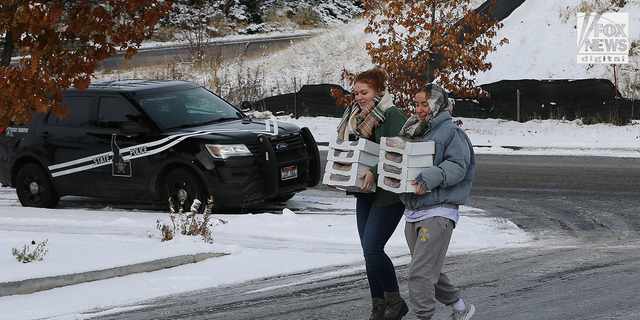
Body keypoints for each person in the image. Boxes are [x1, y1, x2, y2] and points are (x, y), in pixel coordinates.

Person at [397, 84, 476, 320]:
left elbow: (457, 167)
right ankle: (461, 308)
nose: (420, 109)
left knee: (419, 273)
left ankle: (423, 317)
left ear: (438, 104)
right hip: (414, 210)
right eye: (417, 104)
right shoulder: (414, 131)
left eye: (425, 104)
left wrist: (429, 178)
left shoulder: (452, 132)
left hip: (438, 212)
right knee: (428, 268)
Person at [336, 68, 409, 320]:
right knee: (368, 254)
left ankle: (395, 301)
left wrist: (376, 171)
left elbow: (399, 150)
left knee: (373, 248)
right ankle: (379, 307)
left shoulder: (392, 114)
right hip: (365, 192)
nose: (358, 97)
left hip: (388, 192)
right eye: (355, 93)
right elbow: (353, 153)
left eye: (364, 92)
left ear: (378, 91)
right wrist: (338, 173)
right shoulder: (356, 118)